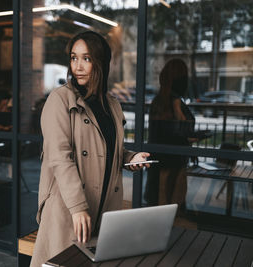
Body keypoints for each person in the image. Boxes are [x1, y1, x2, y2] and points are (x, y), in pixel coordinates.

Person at [30, 31, 151, 267]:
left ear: (101, 62)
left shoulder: (112, 105)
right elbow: (60, 158)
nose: (78, 66)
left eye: (86, 58)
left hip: (104, 207)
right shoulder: (60, 100)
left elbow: (109, 151)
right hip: (69, 209)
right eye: (74, 58)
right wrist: (77, 208)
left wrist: (130, 158)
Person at [145, 58, 198, 208]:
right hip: (172, 162)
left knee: (160, 203)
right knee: (170, 204)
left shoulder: (159, 101)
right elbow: (179, 131)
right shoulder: (173, 102)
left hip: (162, 161)